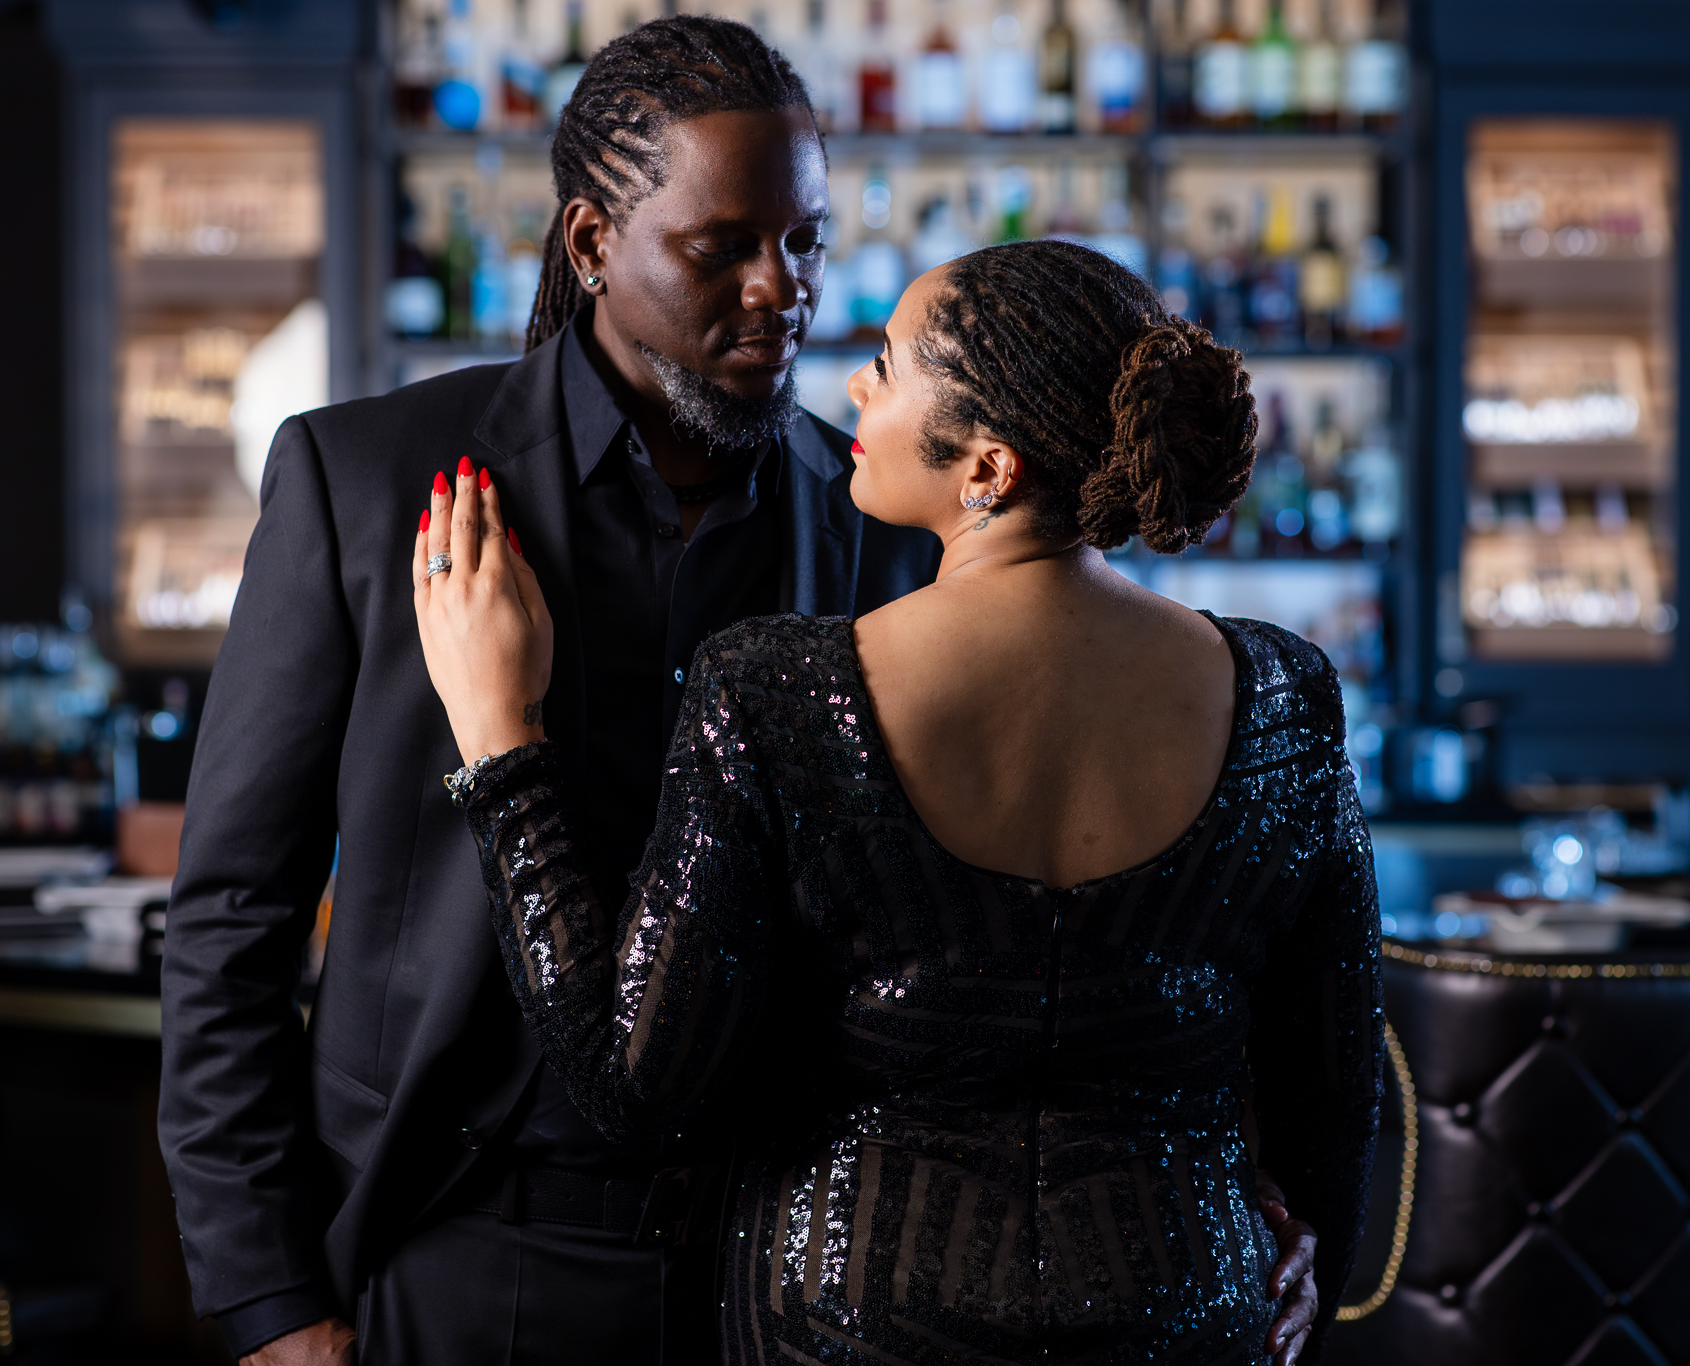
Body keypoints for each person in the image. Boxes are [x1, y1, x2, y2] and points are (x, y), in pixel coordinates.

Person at [159, 15, 1320, 1365]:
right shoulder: (361, 483)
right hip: (459, 1239)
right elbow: (231, 912)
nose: (786, 289)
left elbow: (1028, 946)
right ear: (593, 244)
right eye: (727, 248)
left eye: (809, 240)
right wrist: (270, 1303)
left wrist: (1244, 1190)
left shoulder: (899, 526)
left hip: (808, 1271)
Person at [413, 239, 1382, 1365]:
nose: (852, 387)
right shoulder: (1281, 693)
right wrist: (1286, 1241)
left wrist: (500, 741)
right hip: (1186, 1317)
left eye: (884, 360)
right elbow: (1334, 1103)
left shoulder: (777, 688)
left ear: (987, 467)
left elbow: (631, 1082)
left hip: (849, 1325)